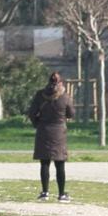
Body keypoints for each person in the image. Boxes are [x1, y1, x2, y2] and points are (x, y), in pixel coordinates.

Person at [28, 71, 75, 203]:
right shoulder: (65, 97)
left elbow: (32, 113)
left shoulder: (40, 95)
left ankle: (45, 192)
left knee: (44, 163)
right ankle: (61, 194)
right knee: (60, 164)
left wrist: (37, 124)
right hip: (59, 132)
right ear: (60, 82)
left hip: (43, 130)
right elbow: (71, 113)